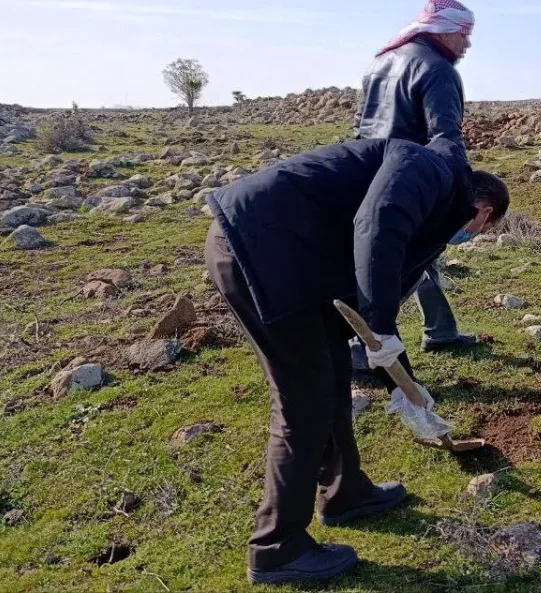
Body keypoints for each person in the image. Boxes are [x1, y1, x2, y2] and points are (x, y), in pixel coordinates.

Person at [204, 136, 509, 584]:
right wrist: (380, 327)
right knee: (303, 400)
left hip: (293, 259)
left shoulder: (432, 213)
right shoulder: (429, 171)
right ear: (484, 213)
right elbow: (376, 224)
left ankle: (346, 492)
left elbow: (372, 309)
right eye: (483, 230)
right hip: (257, 250)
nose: (472, 236)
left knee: (331, 375)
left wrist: (407, 390)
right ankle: (276, 547)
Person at [353, 0, 478, 355]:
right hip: (411, 179)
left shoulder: (380, 63)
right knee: (402, 265)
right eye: (464, 34)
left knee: (412, 257)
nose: (467, 43)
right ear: (444, 31)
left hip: (369, 172)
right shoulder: (438, 70)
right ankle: (363, 350)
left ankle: (440, 331)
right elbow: (445, 137)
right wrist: (460, 192)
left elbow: (361, 125)